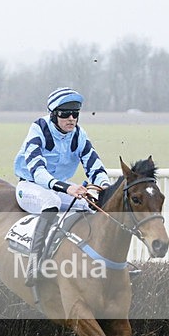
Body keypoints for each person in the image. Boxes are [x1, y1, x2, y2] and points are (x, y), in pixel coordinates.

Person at [14, 87, 111, 286]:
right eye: (65, 114)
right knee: (51, 201)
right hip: (30, 187)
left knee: (88, 205)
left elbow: (96, 167)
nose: (71, 119)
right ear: (53, 115)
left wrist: (104, 188)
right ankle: (35, 263)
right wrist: (67, 188)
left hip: (59, 189)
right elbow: (38, 172)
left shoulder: (79, 134)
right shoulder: (39, 128)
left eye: (75, 114)